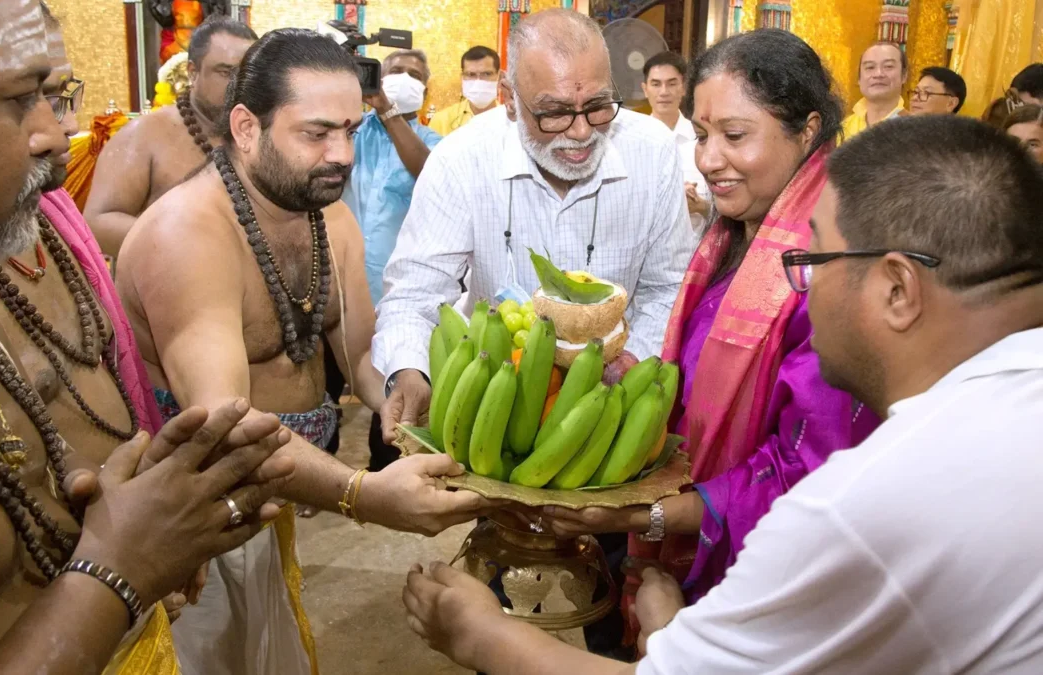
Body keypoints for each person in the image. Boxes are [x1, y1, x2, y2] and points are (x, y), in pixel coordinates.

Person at [402, 113, 1043, 675]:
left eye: (812, 260)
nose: (802, 289)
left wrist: (481, 635)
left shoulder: (866, 506)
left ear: (899, 290)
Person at [116, 29, 496, 675]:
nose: (341, 154)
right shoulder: (189, 234)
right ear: (245, 126)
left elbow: (361, 352)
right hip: (191, 512)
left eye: (349, 130)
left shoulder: (327, 216)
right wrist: (362, 492)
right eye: (316, 133)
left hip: (271, 496)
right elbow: (224, 424)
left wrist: (401, 397)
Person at [0, 1, 294, 672]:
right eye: (22, 97)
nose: (59, 136)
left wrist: (157, 524)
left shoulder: (30, 229)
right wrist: (121, 566)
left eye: (57, 95)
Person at [534, 27, 879, 630]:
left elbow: (813, 470)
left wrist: (650, 517)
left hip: (762, 581)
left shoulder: (827, 266)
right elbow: (699, 379)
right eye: (700, 134)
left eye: (735, 135)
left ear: (807, 130)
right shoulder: (732, 235)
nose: (708, 159)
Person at [376, 8, 692, 446]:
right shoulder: (459, 160)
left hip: (615, 409)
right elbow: (416, 293)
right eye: (554, 113)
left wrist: (630, 364)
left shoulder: (653, 152)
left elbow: (668, 288)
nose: (581, 132)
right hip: (499, 412)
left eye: (599, 106)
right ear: (508, 96)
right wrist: (409, 368)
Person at [84, 14, 257, 258]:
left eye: (247, 74)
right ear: (193, 73)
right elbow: (98, 223)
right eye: (226, 72)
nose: (238, 84)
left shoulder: (262, 133)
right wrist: (189, 245)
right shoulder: (144, 135)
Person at [343, 48, 441, 470]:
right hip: (342, 281)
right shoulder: (352, 131)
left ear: (426, 86)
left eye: (414, 74)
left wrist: (388, 110)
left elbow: (427, 172)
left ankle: (390, 464)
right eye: (394, 71)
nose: (403, 78)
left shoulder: (434, 143)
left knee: (395, 374)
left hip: (396, 287)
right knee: (328, 379)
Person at [642, 51, 712, 235]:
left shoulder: (704, 139)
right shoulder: (633, 143)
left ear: (684, 88)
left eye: (672, 84)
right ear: (645, 89)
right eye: (656, 84)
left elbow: (723, 210)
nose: (664, 92)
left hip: (697, 252)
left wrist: (700, 206)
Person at [429, 45, 501, 136]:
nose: (478, 81)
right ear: (462, 77)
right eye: (471, 74)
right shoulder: (442, 120)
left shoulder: (511, 121)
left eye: (486, 74)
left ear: (499, 76)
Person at [842, 41, 907, 140]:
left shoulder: (914, 129)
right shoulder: (843, 130)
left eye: (888, 66)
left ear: (904, 76)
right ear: (859, 78)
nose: (878, 74)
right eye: (870, 67)